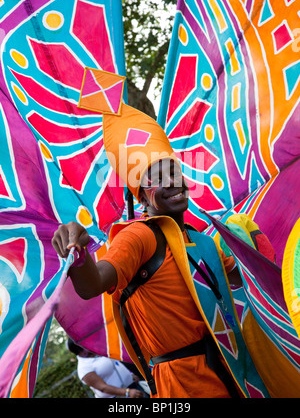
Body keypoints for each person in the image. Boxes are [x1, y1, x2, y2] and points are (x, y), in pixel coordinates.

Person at [52, 103, 269, 398]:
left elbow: (241, 281)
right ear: (141, 195)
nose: (172, 182)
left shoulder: (198, 239)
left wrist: (256, 244)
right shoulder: (140, 236)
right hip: (183, 386)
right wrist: (79, 252)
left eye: (175, 171)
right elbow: (93, 283)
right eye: (156, 178)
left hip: (233, 371)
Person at [67, 338, 146, 398]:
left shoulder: (97, 353)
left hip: (132, 387)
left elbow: (115, 363)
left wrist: (130, 374)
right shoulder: (83, 368)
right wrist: (127, 392)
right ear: (81, 351)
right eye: (84, 345)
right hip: (121, 395)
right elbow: (103, 387)